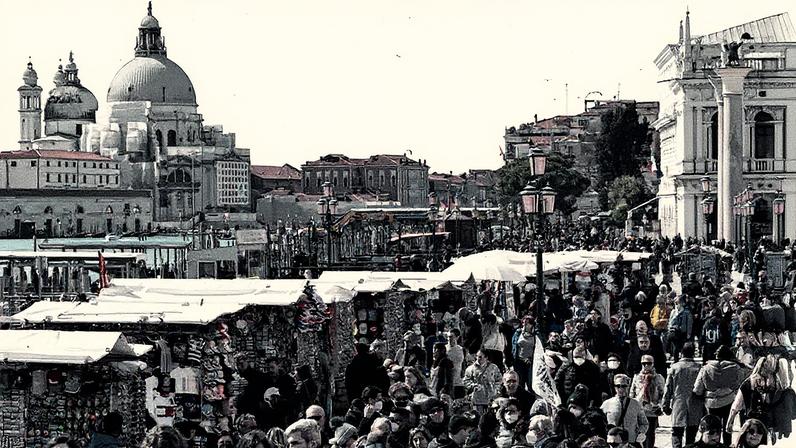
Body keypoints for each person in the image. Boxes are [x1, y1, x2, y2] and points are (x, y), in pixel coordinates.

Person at [693, 345, 749, 446]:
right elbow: (740, 384)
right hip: (728, 400)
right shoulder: (735, 368)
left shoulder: (705, 368)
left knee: (712, 426)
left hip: (711, 402)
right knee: (727, 426)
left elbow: (697, 389)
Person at [663, 343, 703, 448]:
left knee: (676, 434)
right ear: (694, 353)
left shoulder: (674, 368)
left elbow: (668, 388)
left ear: (681, 353)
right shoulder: (699, 368)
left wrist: (665, 405)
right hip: (695, 406)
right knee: (691, 437)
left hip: (678, 405)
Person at [600, 374, 648, 445]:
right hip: (613, 443)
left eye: (624, 386)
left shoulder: (636, 404)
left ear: (628, 386)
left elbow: (644, 423)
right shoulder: (606, 404)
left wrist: (641, 433)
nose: (620, 389)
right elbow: (601, 423)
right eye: (618, 386)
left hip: (631, 442)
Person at [630, 355, 665, 448]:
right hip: (639, 409)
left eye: (648, 363)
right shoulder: (637, 377)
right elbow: (632, 393)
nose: (646, 365)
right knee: (638, 434)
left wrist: (658, 405)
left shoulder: (658, 377)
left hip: (651, 410)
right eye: (644, 363)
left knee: (650, 435)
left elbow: (663, 394)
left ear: (653, 364)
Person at [463, 350, 502, 415]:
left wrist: (496, 388)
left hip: (491, 398)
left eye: (480, 357)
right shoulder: (471, 368)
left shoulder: (493, 367)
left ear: (486, 357)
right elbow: (466, 380)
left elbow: (499, 379)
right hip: (477, 399)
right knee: (478, 417)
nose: (478, 359)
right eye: (477, 356)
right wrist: (473, 386)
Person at [511, 316, 537, 391]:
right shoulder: (518, 333)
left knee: (530, 383)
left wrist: (530, 358)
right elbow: (513, 346)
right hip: (519, 361)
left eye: (528, 323)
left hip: (530, 362)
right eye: (523, 323)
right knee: (520, 383)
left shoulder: (536, 335)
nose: (525, 325)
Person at [668, 296, 693, 360]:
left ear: (682, 303)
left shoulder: (687, 312)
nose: (676, 305)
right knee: (675, 347)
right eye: (675, 303)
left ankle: (683, 358)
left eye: (677, 303)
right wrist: (676, 315)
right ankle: (675, 359)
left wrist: (688, 333)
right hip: (675, 332)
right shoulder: (673, 312)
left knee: (682, 347)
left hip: (683, 332)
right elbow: (670, 322)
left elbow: (689, 323)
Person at [445, 329, 466, 399]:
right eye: (448, 337)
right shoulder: (444, 349)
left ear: (457, 337)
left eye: (451, 337)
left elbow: (464, 363)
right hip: (447, 382)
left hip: (459, 381)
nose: (449, 339)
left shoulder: (461, 349)